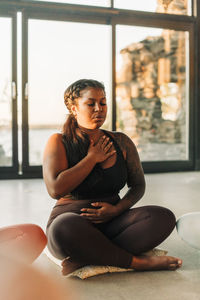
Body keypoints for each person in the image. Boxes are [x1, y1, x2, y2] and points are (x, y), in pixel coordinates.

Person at [43, 79, 182, 276]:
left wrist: (116, 210)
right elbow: (55, 189)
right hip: (73, 226)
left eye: (103, 102)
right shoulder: (59, 141)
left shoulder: (121, 141)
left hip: (113, 223)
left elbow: (138, 185)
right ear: (74, 108)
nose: (99, 109)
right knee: (63, 227)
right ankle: (135, 262)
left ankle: (86, 255)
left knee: (162, 217)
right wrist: (91, 158)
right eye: (91, 104)